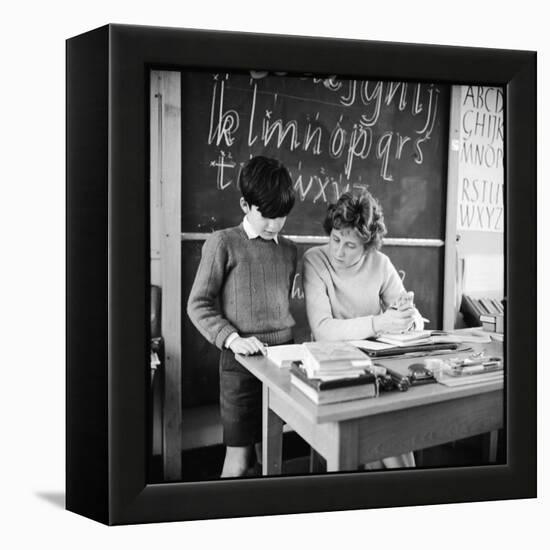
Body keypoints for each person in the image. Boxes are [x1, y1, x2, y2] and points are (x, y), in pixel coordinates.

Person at [187, 156, 297, 478]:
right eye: (267, 216)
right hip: (240, 364)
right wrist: (233, 340)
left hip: (281, 361)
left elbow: (280, 304)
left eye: (282, 217)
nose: (275, 224)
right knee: (240, 459)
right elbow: (198, 304)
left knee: (271, 456)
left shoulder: (290, 250)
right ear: (245, 204)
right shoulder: (223, 242)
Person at [303, 190, 421, 469]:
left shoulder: (380, 263)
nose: (338, 251)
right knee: (379, 443)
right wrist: (379, 323)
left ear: (368, 246)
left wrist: (408, 318)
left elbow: (412, 316)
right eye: (335, 239)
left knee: (389, 438)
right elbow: (322, 330)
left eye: (350, 245)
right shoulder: (315, 260)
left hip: (375, 366)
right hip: (333, 369)